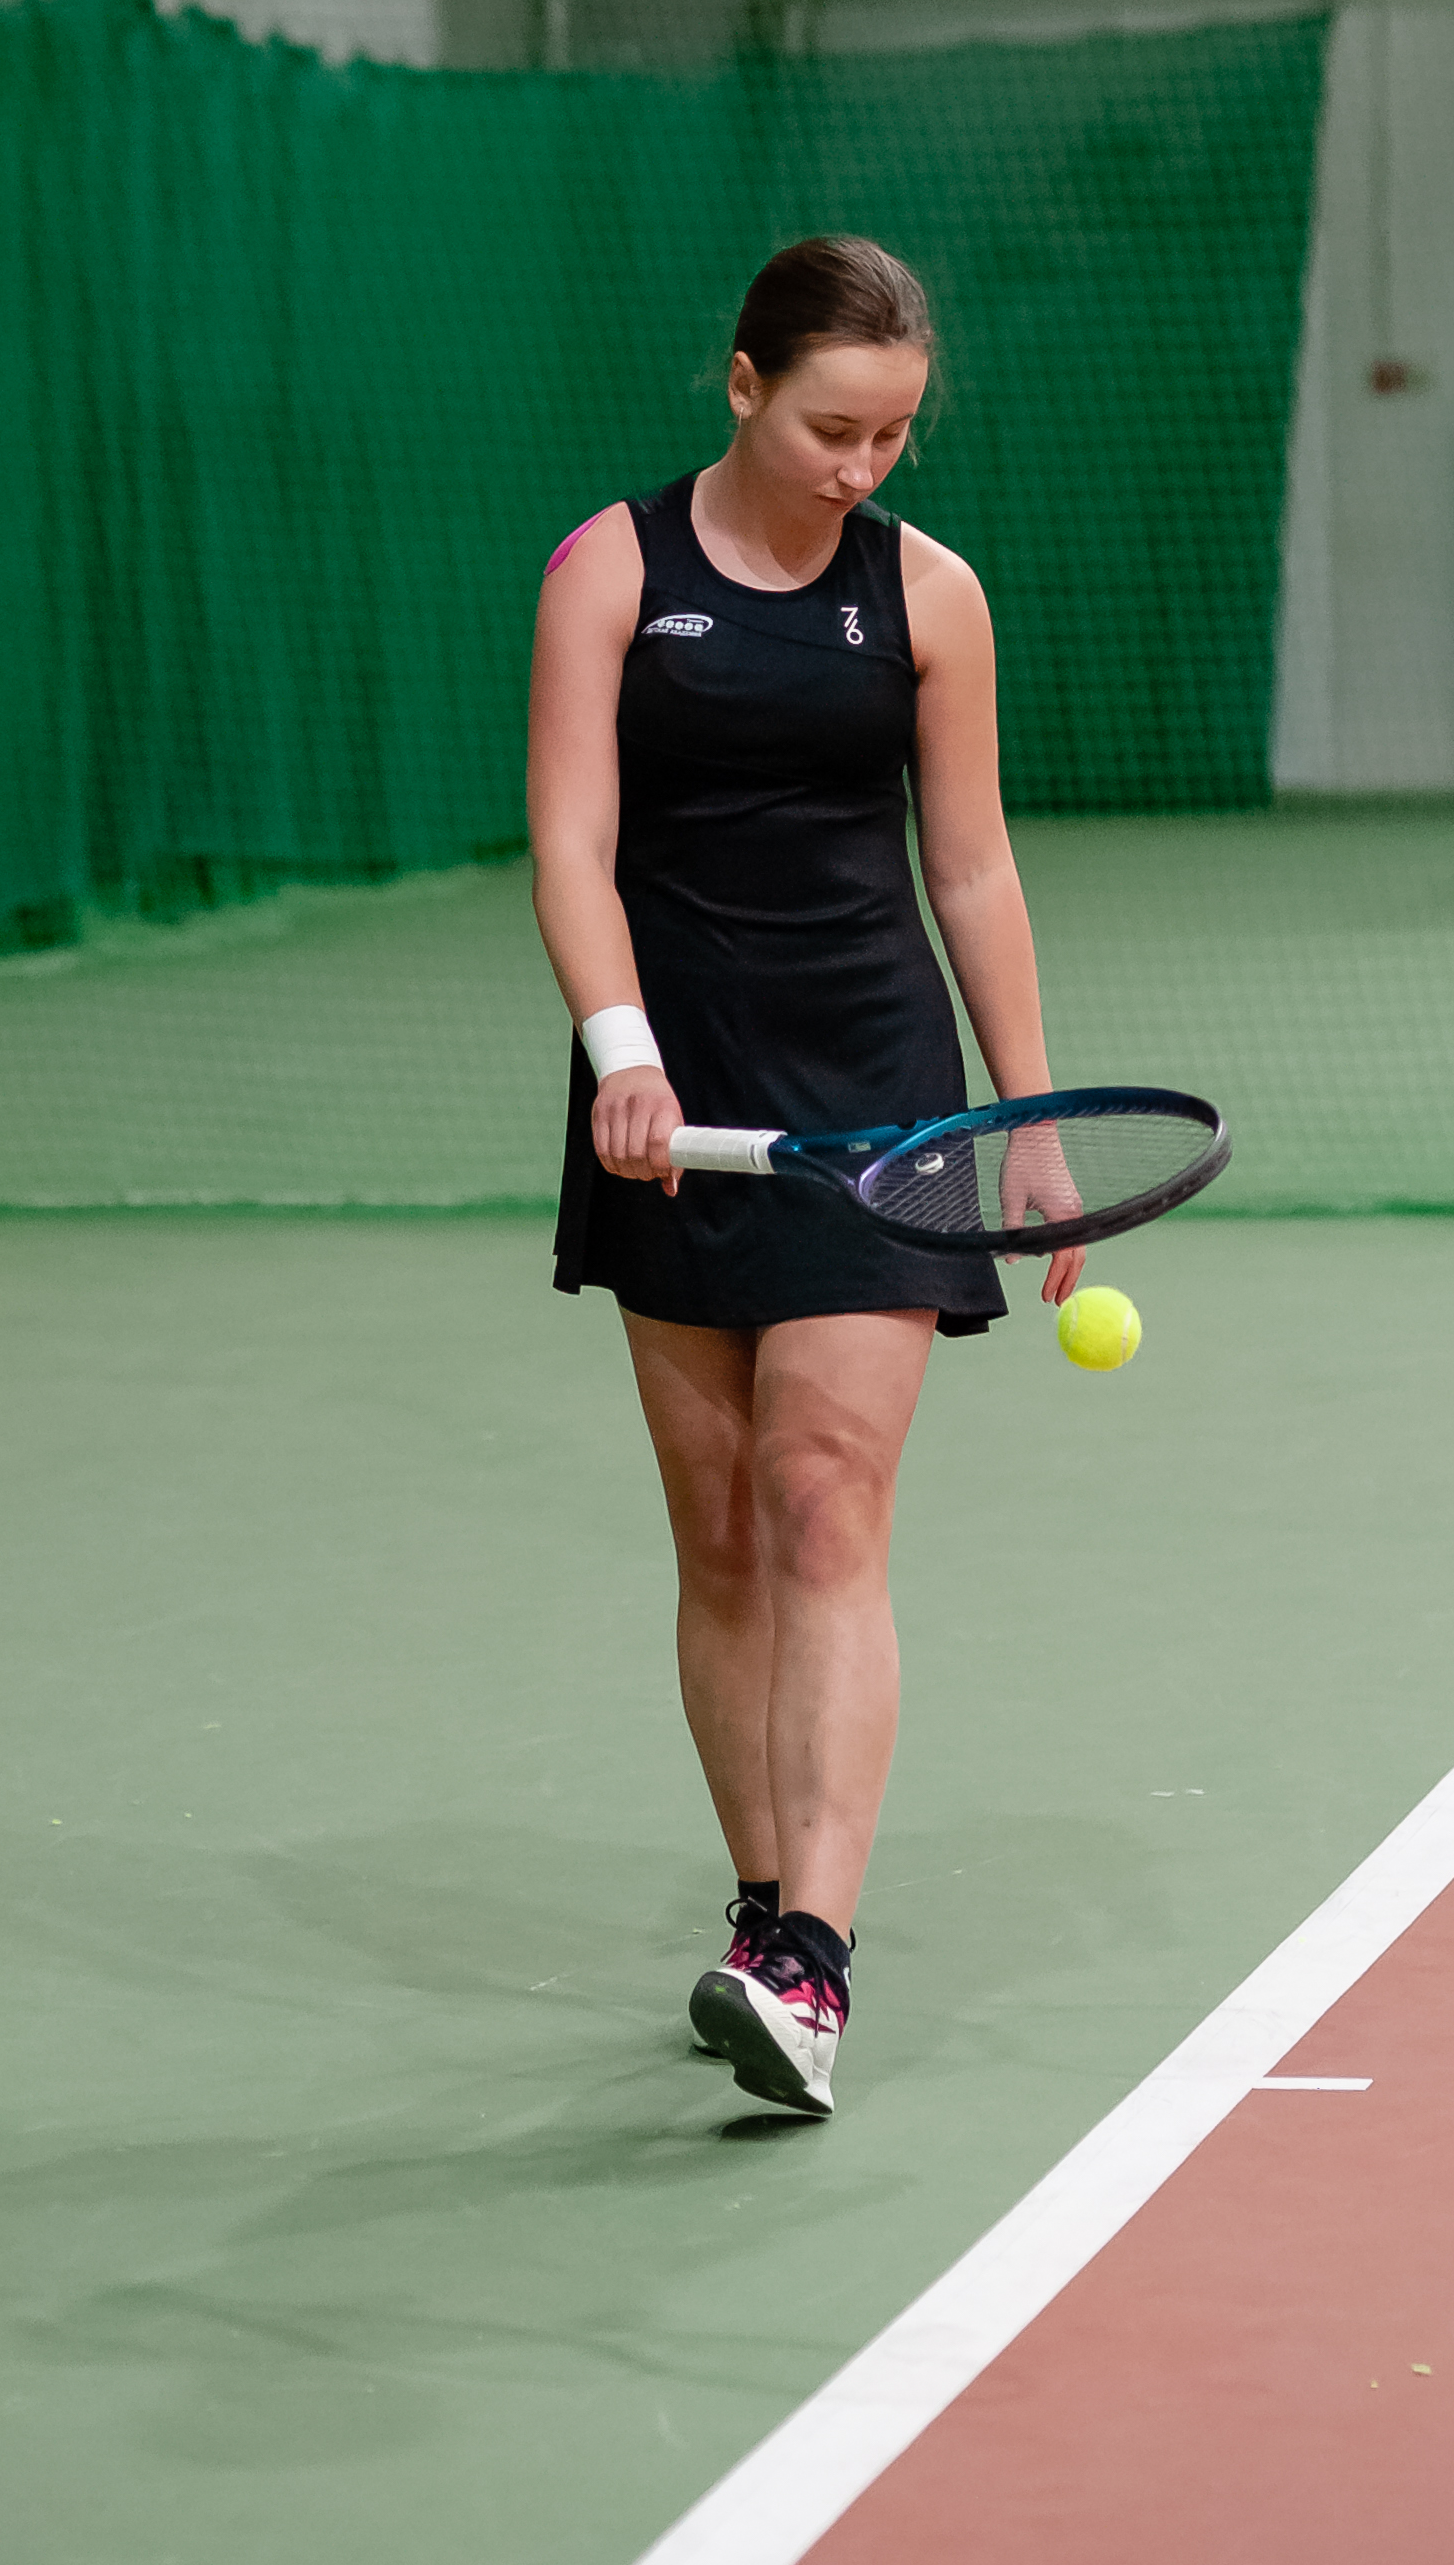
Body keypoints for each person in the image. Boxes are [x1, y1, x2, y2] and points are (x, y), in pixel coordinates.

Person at [526, 235, 1083, 2121]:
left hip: (873, 1095)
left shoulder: (928, 594)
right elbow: (571, 842)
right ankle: (766, 1907)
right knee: (719, 1534)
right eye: (832, 425)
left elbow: (971, 864)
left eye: (894, 433)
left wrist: (1026, 1112)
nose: (861, 465)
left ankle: (814, 1958)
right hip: (669, 1093)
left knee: (821, 1493)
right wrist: (621, 1049)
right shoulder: (610, 569)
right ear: (744, 381)